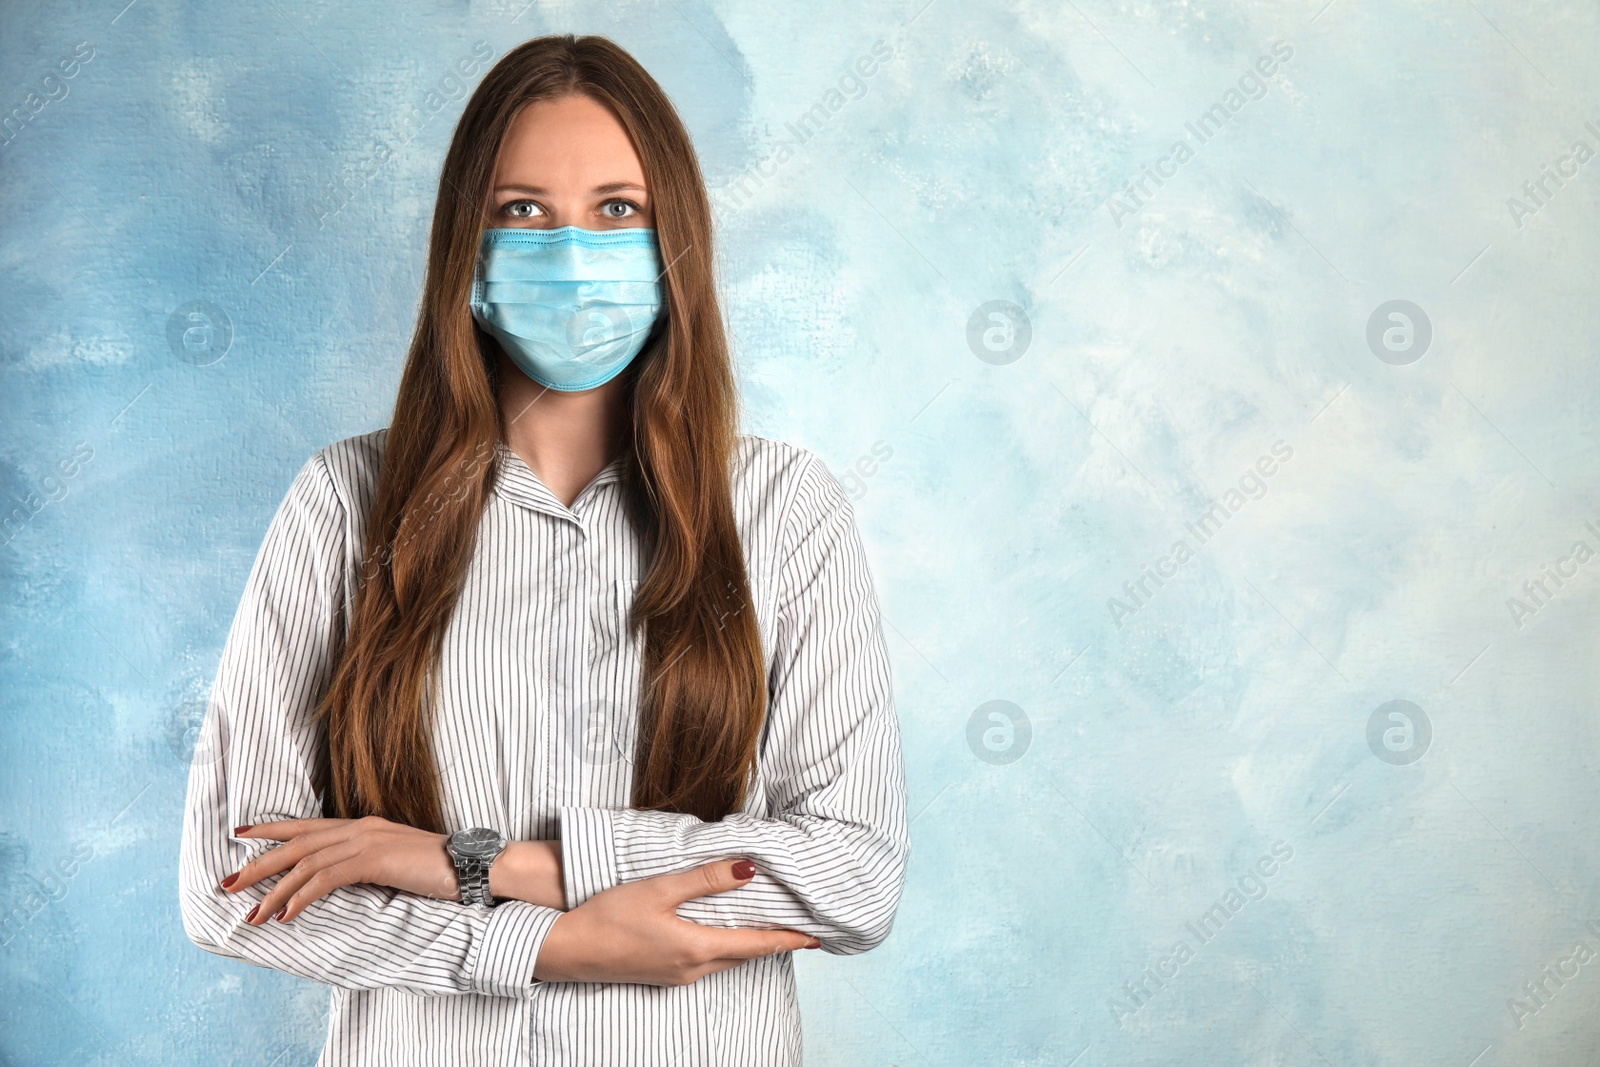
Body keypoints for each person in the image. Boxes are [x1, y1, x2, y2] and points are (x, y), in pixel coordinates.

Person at [176, 32, 909, 1067]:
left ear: (673, 247)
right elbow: (231, 881)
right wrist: (547, 943)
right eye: (524, 212)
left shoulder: (783, 508)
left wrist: (471, 864)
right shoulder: (343, 506)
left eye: (617, 210)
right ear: (467, 258)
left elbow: (850, 873)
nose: (572, 255)